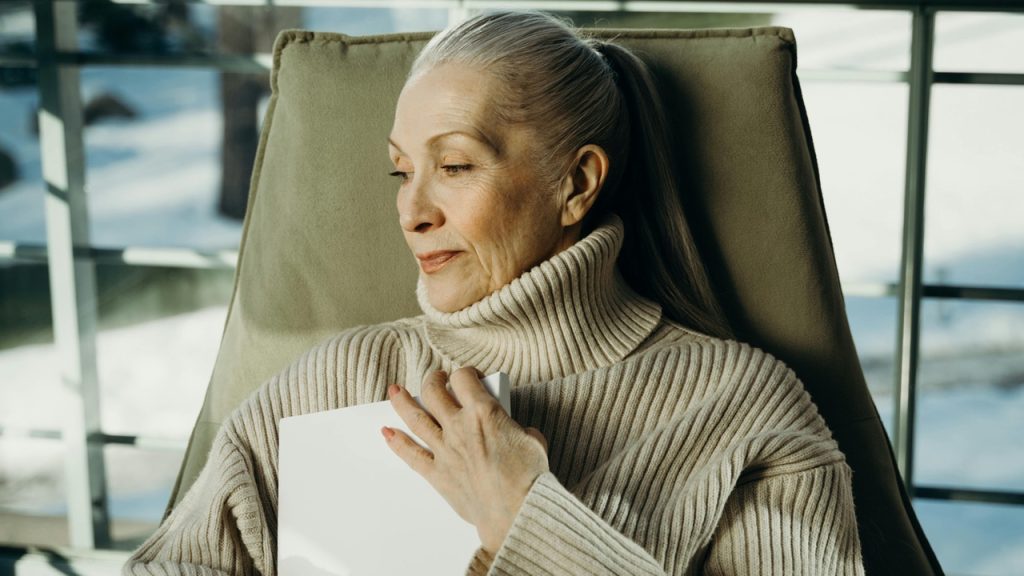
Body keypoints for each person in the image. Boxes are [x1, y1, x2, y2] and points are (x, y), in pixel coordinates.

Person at [123, 9, 865, 576]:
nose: (413, 212)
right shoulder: (334, 379)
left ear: (575, 184)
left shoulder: (746, 409)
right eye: (400, 170)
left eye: (454, 166)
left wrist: (525, 517)